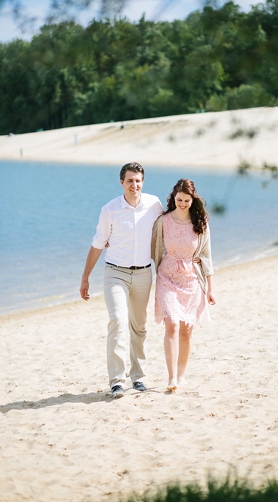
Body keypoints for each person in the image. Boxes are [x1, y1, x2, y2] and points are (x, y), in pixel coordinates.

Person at [81, 163, 163, 399]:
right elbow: (98, 243)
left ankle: (138, 378)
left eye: (138, 181)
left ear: (143, 182)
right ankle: (117, 381)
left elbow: (167, 228)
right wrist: (85, 276)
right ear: (121, 183)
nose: (134, 185)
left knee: (139, 326)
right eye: (129, 181)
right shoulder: (110, 210)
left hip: (144, 274)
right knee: (117, 321)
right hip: (115, 273)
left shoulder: (154, 204)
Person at [151, 179, 216, 393]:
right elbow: (153, 249)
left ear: (192, 200)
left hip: (191, 280)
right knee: (172, 325)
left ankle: (181, 374)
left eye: (186, 200)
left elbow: (206, 255)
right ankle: (171, 378)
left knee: (186, 332)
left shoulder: (201, 222)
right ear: (173, 198)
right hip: (167, 277)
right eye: (179, 199)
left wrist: (210, 288)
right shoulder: (163, 221)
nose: (182, 203)